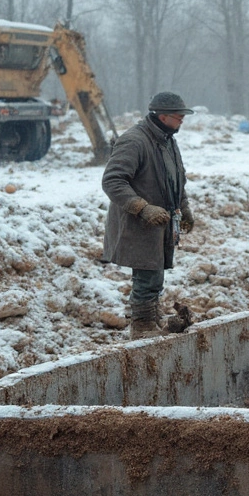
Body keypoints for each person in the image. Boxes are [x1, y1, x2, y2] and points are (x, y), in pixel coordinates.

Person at [101, 91, 195, 339]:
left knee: (155, 274)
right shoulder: (135, 140)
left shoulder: (167, 140)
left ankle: (151, 320)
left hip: (160, 223)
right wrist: (142, 208)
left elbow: (177, 180)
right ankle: (142, 327)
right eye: (179, 116)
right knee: (146, 275)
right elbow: (113, 181)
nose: (182, 121)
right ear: (163, 116)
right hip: (138, 224)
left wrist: (183, 207)